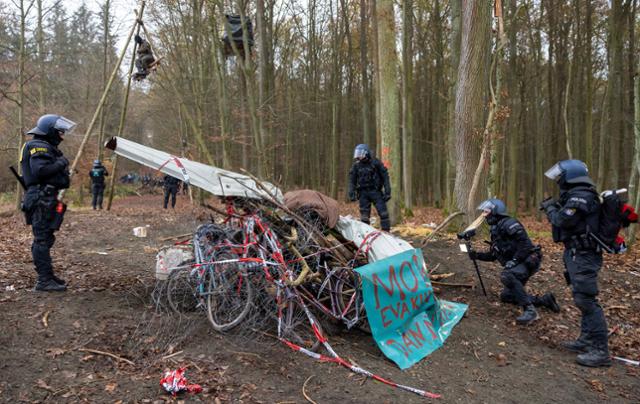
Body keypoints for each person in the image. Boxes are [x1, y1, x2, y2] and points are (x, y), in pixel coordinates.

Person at [540, 159, 610, 367]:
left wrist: (551, 208)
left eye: (560, 177)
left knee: (586, 300)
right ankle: (587, 339)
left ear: (571, 176)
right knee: (581, 297)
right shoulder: (576, 194)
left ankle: (600, 351)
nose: (558, 180)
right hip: (576, 252)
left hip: (585, 254)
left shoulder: (582, 196)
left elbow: (563, 220)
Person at [468, 199, 560, 325]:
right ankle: (545, 300)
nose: (484, 214)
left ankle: (530, 311)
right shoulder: (496, 229)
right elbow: (494, 255)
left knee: (507, 275)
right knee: (507, 297)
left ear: (496, 211)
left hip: (528, 260)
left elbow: (525, 244)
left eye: (486, 211)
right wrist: (476, 255)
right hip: (519, 263)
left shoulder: (509, 223)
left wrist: (514, 260)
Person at [20, 114, 75, 292]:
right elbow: (41, 171)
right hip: (40, 198)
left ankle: (47, 275)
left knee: (47, 237)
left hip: (46, 197)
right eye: (59, 132)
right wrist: (61, 162)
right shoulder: (37, 146)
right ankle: (44, 280)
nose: (62, 136)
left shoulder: (45, 146)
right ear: (49, 131)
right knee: (42, 239)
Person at [348, 144, 391, 231]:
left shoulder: (376, 163)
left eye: (361, 154)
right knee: (364, 217)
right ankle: (366, 233)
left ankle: (387, 232)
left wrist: (387, 190)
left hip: (376, 192)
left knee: (383, 214)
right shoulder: (356, 166)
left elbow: (385, 176)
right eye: (358, 154)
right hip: (363, 193)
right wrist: (351, 192)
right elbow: (352, 180)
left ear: (366, 153)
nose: (359, 156)